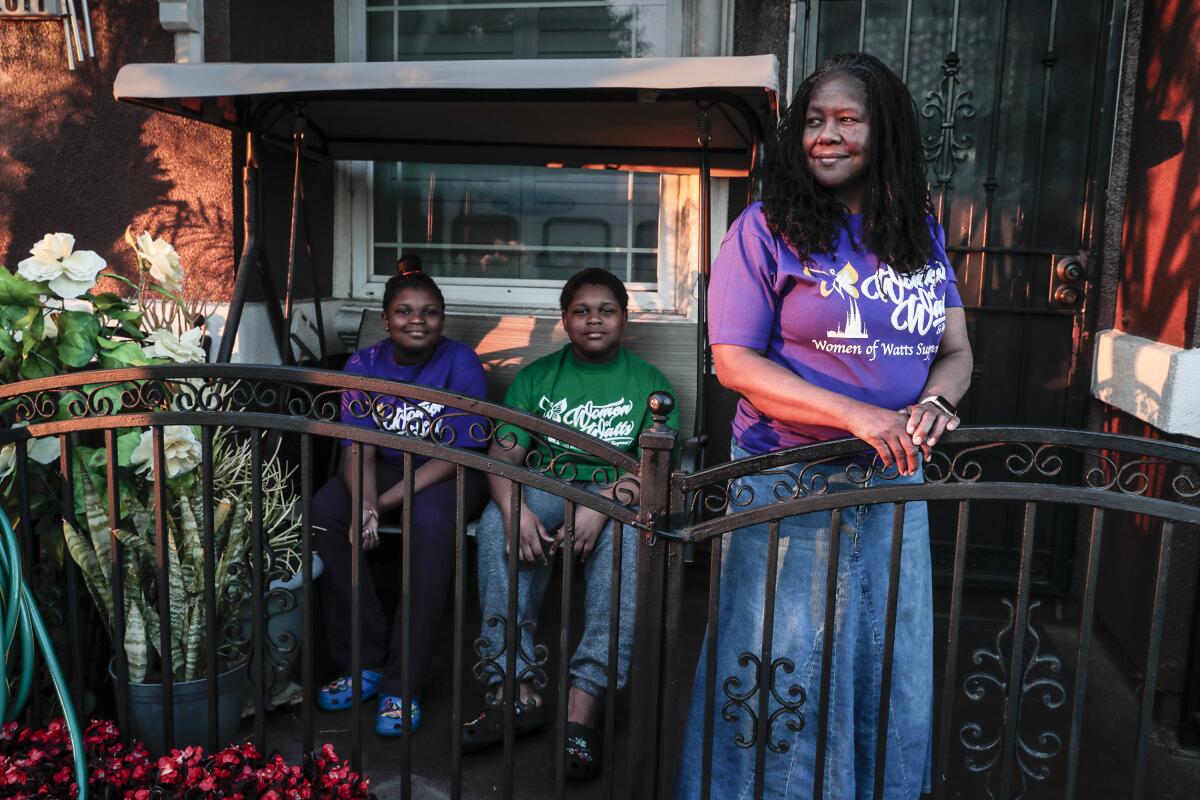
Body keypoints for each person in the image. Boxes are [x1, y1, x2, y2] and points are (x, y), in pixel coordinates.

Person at [676, 53, 973, 799]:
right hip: (790, 483)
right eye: (815, 121)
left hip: (894, 483)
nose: (827, 136)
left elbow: (957, 351)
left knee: (881, 663)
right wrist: (854, 413)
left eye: (848, 120)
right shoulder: (764, 229)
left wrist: (936, 403)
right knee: (779, 668)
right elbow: (733, 363)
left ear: (886, 132)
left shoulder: (919, 234)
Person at [464, 268, 679, 781]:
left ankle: (584, 707)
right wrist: (516, 512)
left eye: (606, 310)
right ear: (565, 320)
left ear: (624, 318)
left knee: (628, 541)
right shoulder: (538, 376)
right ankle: (512, 689)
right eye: (581, 311)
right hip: (546, 485)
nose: (594, 320)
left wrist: (603, 502)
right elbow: (503, 454)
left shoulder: (651, 384)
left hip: (619, 495)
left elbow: (658, 470)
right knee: (496, 526)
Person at [312, 268, 488, 736]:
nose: (418, 321)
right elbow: (357, 446)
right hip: (382, 466)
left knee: (430, 525)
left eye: (429, 312)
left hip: (445, 473)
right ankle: (362, 660)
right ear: (387, 319)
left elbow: (456, 454)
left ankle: (402, 682)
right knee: (327, 514)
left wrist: (379, 505)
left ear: (443, 319)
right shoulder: (364, 365)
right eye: (405, 311)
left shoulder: (461, 363)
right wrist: (364, 502)